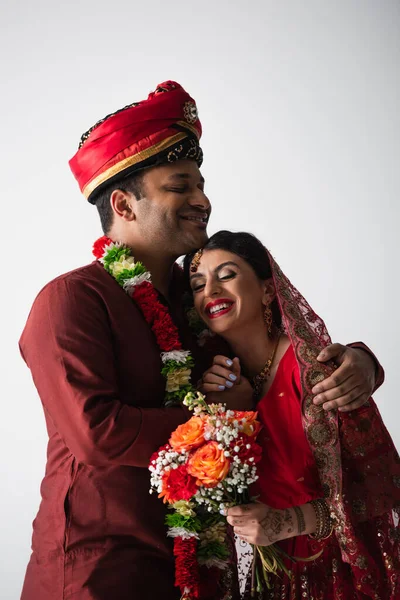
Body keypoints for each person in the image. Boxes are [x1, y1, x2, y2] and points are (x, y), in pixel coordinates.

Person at [19, 81, 385, 600]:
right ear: (123, 204)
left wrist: (360, 363)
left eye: (201, 184)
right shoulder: (72, 300)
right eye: (181, 186)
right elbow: (97, 433)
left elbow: (271, 360)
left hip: (200, 567)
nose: (203, 200)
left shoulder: (194, 305)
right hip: (100, 568)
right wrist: (216, 416)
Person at [184, 230, 400, 599]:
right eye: (198, 283)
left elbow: (384, 488)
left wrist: (292, 521)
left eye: (227, 275)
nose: (210, 291)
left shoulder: (320, 372)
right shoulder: (215, 388)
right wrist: (235, 414)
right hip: (273, 581)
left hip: (341, 574)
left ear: (269, 290)